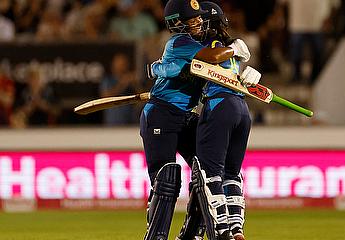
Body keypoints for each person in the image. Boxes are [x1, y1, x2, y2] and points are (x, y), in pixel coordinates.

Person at [140, 0, 251, 239]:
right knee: (167, 178)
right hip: (161, 114)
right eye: (193, 19)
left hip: (185, 116)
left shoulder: (195, 44)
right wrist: (235, 49)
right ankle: (156, 236)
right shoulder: (180, 42)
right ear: (177, 23)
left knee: (206, 170)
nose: (199, 21)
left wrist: (243, 77)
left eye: (200, 17)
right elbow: (212, 56)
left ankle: (191, 233)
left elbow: (217, 73)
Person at [176, 2, 260, 240]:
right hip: (242, 109)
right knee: (232, 174)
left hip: (218, 105)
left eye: (200, 20)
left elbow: (205, 61)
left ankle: (220, 230)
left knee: (210, 173)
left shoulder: (209, 45)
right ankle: (236, 229)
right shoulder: (233, 47)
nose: (196, 24)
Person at [100, 53, 141, 125]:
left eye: (124, 63)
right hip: (113, 122)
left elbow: (142, 96)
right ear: (113, 65)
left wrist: (135, 83)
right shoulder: (108, 80)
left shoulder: (131, 79)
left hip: (130, 121)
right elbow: (105, 96)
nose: (122, 66)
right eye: (119, 63)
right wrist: (122, 84)